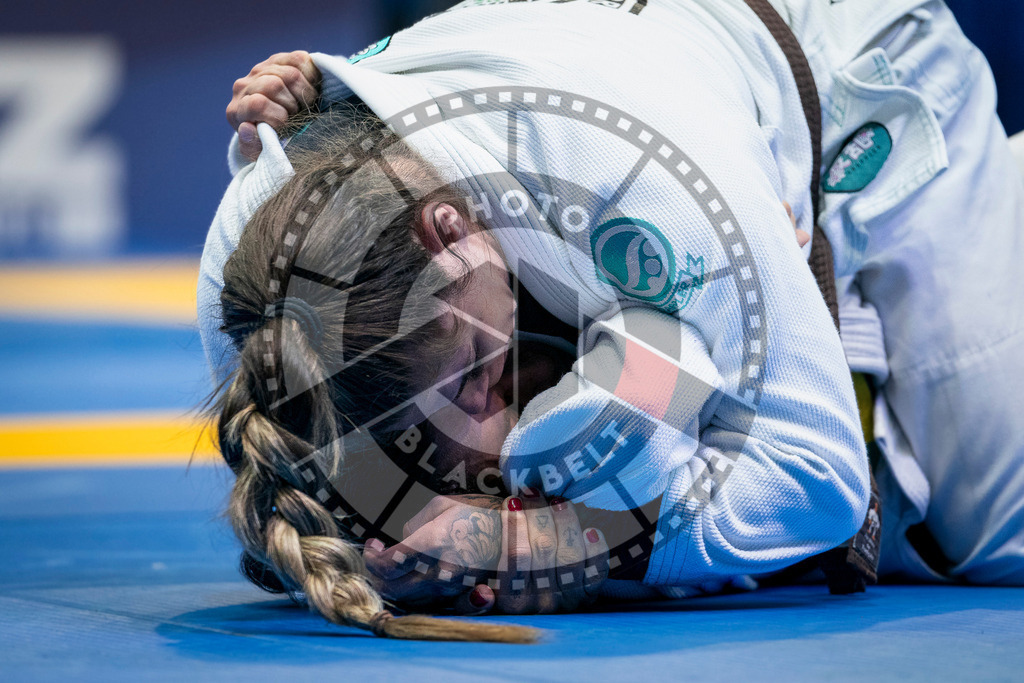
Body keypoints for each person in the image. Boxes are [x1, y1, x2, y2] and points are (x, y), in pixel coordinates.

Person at [199, 0, 1024, 640]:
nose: (487, 423)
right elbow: (314, 468)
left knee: (986, 530)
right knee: (600, 433)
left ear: (448, 235)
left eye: (476, 382)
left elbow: (820, 478)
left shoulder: (636, 180)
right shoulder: (252, 255)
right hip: (652, 99)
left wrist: (525, 549)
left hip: (854, 72)